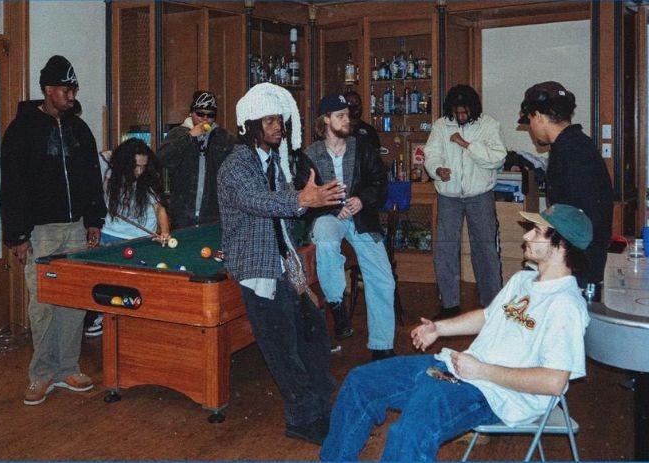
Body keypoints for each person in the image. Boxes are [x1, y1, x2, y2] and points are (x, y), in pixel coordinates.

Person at [320, 203, 591, 462]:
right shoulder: (523, 279)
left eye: (537, 232)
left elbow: (554, 382)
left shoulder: (565, 305)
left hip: (496, 395)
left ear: (561, 245)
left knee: (410, 432)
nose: (526, 235)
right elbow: (487, 317)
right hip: (459, 370)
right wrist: (439, 328)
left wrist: (481, 371)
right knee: (361, 382)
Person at [217, 82, 346, 445]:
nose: (278, 127)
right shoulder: (235, 165)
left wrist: (301, 279)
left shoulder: (276, 160)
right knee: (284, 351)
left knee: (315, 337)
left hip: (284, 266)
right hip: (258, 271)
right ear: (251, 124)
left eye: (280, 120)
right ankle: (303, 419)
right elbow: (258, 201)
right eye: (271, 120)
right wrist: (302, 199)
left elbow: (283, 221)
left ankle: (322, 409)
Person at [0, 55, 106, 405]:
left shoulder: (79, 129)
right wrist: (16, 235)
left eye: (73, 89)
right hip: (40, 233)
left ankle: (67, 368)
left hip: (76, 228)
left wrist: (94, 220)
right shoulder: (22, 130)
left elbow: (93, 178)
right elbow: (12, 186)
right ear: (48, 90)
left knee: (73, 302)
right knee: (43, 304)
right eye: (66, 89)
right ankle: (41, 375)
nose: (72, 95)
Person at [295, 93, 395, 361]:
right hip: (329, 216)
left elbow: (379, 185)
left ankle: (382, 345)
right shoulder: (309, 156)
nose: (346, 120)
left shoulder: (363, 147)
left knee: (383, 279)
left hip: (361, 218)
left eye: (347, 115)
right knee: (326, 239)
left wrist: (362, 200)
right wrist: (329, 204)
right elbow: (304, 198)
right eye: (340, 115)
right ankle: (337, 305)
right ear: (325, 120)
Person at [518, 81, 613, 295]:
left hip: (578, 262)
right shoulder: (574, 145)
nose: (531, 128)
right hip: (578, 257)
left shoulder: (571, 152)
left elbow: (581, 217)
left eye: (530, 120)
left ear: (538, 117)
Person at [424, 84, 507, 319]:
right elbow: (432, 154)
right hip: (448, 197)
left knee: (485, 250)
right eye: (457, 112)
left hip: (480, 196)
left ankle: (492, 304)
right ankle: (449, 304)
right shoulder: (441, 126)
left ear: (474, 109)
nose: (461, 116)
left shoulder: (488, 125)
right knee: (445, 249)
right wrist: (437, 169)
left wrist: (467, 144)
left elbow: (497, 158)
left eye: (465, 112)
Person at [84, 138, 171, 337]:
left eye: (143, 166)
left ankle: (134, 320)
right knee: (106, 282)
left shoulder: (148, 180)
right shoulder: (108, 171)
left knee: (136, 286)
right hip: (109, 237)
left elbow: (160, 209)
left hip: (140, 240)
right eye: (135, 166)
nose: (139, 172)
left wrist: (165, 231)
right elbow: (94, 158)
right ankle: (103, 317)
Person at [158, 90, 235, 229]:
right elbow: (162, 158)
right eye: (200, 114)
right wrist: (190, 136)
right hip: (182, 213)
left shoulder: (224, 138)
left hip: (213, 214)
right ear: (191, 113)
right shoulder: (177, 133)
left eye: (210, 115)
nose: (205, 119)